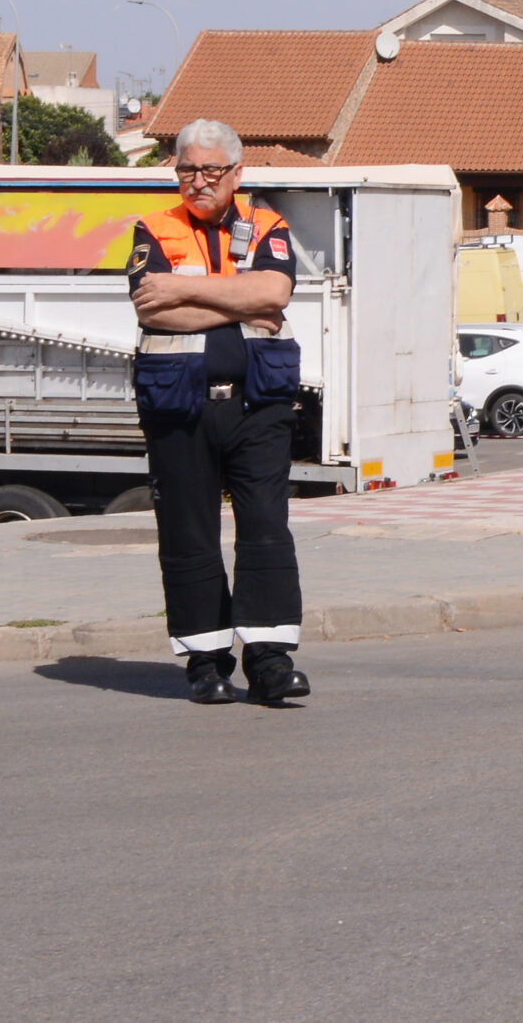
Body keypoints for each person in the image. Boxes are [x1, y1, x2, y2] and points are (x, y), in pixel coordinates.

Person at [127, 118, 311, 706]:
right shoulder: (153, 229)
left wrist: (184, 288)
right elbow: (152, 310)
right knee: (189, 534)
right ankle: (205, 664)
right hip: (179, 407)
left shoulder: (268, 226)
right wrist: (237, 300)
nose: (198, 181)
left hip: (258, 405)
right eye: (187, 169)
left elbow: (274, 294)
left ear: (236, 173)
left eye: (210, 170)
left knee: (265, 528)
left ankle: (270, 661)